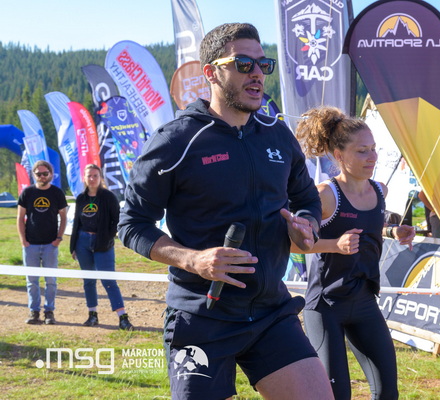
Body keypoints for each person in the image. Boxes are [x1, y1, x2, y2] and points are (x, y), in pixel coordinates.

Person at [118, 23, 333, 400]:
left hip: (270, 311)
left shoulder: (277, 135)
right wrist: (193, 260)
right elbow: (132, 223)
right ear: (211, 73)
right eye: (243, 63)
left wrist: (307, 225)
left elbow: (306, 200)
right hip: (201, 317)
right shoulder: (177, 140)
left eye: (263, 64)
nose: (257, 73)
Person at [294, 106, 416, 400]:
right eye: (362, 151)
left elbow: (367, 226)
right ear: (339, 155)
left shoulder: (380, 190)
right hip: (326, 306)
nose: (372, 157)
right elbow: (293, 244)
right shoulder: (325, 195)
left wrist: (393, 232)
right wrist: (334, 245)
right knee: (337, 395)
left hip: (364, 300)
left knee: (387, 392)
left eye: (373, 149)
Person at [70, 164, 133, 330]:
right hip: (82, 242)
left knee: (108, 280)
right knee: (88, 280)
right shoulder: (81, 198)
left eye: (95, 176)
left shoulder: (108, 197)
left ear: (100, 178)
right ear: (84, 178)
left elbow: (117, 220)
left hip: (103, 243)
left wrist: (107, 238)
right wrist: (73, 246)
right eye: (89, 176)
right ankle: (92, 314)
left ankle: (123, 317)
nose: (92, 179)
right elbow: (76, 223)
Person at [17, 160, 68, 325]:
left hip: (50, 245)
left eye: (45, 173)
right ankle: (34, 311)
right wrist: (23, 240)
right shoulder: (27, 192)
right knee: (31, 281)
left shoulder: (57, 193)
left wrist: (58, 239)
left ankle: (49, 311)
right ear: (34, 175)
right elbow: (20, 217)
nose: (42, 176)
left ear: (51, 174)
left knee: (51, 281)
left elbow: (64, 217)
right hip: (30, 244)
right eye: (39, 174)